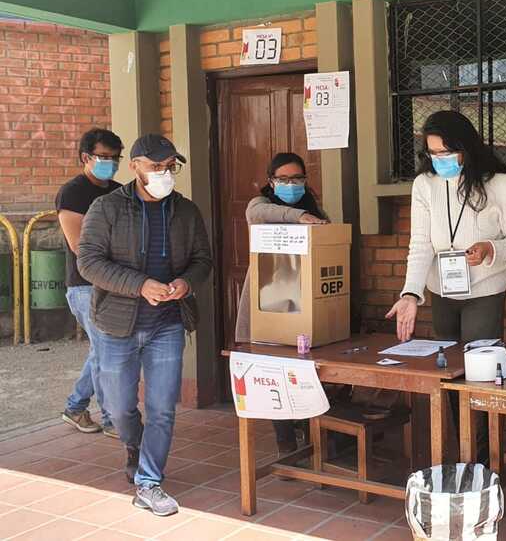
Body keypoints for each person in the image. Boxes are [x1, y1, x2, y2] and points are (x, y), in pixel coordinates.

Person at [78, 134, 212, 517]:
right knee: (118, 407)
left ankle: (149, 482)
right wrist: (140, 285)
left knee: (162, 408)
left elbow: (203, 260)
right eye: (156, 167)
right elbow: (88, 262)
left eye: (170, 167)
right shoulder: (106, 208)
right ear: (134, 166)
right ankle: (134, 445)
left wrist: (186, 282)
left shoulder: (186, 211)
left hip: (166, 324)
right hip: (116, 325)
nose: (164, 174)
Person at [387, 110, 506, 344]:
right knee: (447, 361)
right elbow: (421, 244)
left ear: (465, 148)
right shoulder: (424, 184)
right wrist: (411, 293)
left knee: (478, 360)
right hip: (441, 289)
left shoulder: (500, 183)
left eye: (446, 153)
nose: (439, 159)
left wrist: (490, 248)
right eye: (433, 153)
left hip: (485, 289)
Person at [234, 152, 328, 455]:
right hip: (270, 300)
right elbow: (260, 214)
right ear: (271, 181)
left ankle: (309, 435)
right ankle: (285, 442)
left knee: (305, 372)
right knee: (275, 371)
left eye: (297, 178)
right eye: (283, 179)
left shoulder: (314, 208)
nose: (291, 184)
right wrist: (299, 217)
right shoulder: (260, 205)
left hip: (305, 301)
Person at [57, 128, 123, 437]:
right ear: (86, 157)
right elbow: (80, 246)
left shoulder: (120, 192)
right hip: (85, 286)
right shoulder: (72, 193)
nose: (111, 164)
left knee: (102, 350)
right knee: (107, 350)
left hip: (118, 283)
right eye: (104, 157)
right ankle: (112, 419)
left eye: (115, 158)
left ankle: (75, 407)